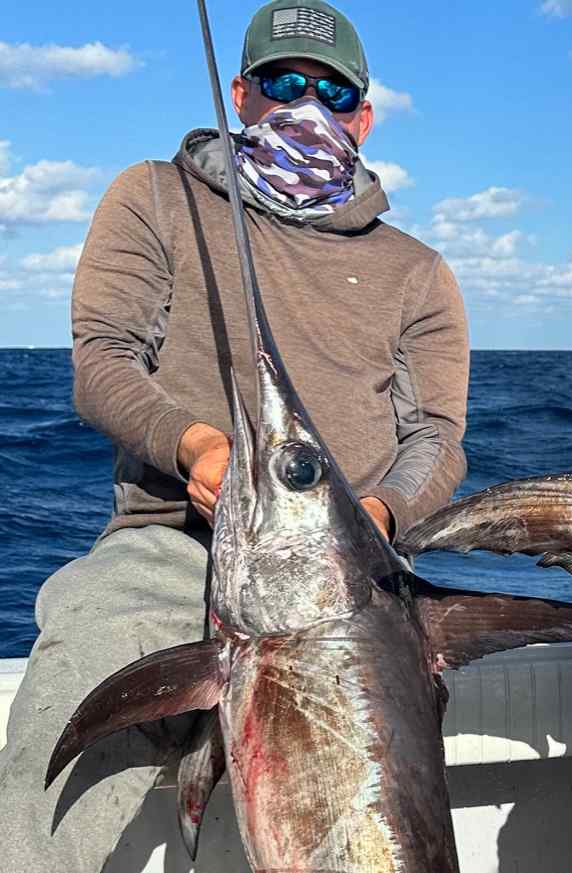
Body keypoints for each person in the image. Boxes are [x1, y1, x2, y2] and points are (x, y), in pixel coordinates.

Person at [0, 1, 469, 868]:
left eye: (332, 91)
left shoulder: (419, 271)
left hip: (360, 573)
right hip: (177, 543)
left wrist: (376, 515)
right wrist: (194, 446)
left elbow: (437, 437)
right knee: (73, 685)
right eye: (285, 83)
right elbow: (102, 358)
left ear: (364, 115)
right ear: (239, 94)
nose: (307, 104)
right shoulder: (154, 196)